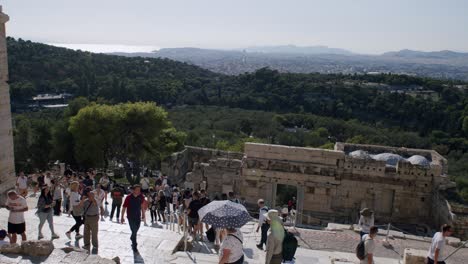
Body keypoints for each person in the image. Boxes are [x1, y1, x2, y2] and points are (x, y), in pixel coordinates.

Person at [121, 185, 146, 252]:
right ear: (134, 190)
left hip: (138, 216)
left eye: (139, 190)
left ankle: (132, 237)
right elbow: (124, 207)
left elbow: (142, 206)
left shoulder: (141, 197)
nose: (139, 191)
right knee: (134, 230)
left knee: (136, 229)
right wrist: (122, 217)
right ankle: (135, 245)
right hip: (130, 217)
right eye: (137, 190)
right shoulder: (128, 197)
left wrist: (143, 214)